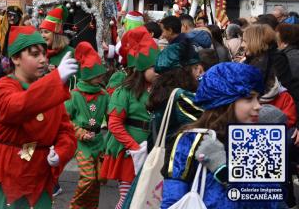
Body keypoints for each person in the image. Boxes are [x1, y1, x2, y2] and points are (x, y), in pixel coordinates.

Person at [0, 25, 77, 208]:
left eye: (44, 54)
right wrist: (55, 80)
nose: (43, 60)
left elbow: (65, 131)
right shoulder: (5, 86)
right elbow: (18, 107)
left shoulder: (50, 90)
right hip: (5, 167)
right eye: (35, 55)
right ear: (15, 58)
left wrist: (60, 152)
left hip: (37, 169)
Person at [160, 62, 277, 209]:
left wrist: (225, 172)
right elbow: (172, 202)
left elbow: (272, 201)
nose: (258, 106)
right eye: (249, 98)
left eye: (258, 98)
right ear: (224, 101)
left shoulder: (259, 140)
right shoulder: (190, 140)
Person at [100, 26, 159, 209]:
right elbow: (114, 124)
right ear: (141, 68)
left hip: (150, 151)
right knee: (128, 199)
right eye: (154, 67)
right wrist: (134, 148)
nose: (159, 71)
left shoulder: (160, 90)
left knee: (146, 199)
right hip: (128, 152)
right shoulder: (124, 91)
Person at [66, 42, 110, 209]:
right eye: (98, 76)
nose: (101, 79)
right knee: (88, 178)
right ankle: (75, 206)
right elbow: (64, 119)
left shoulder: (104, 94)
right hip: (82, 144)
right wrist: (80, 132)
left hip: (99, 142)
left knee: (97, 180)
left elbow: (111, 117)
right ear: (88, 75)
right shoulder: (75, 95)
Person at [243, 24, 299, 121]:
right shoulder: (250, 60)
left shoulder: (276, 59)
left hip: (275, 116)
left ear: (255, 41)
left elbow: (291, 90)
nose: (242, 45)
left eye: (244, 41)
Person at [39, 5, 80, 90]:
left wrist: (59, 73)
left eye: (46, 32)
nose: (42, 35)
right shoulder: (40, 52)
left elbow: (79, 80)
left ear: (56, 34)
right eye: (41, 32)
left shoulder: (71, 53)